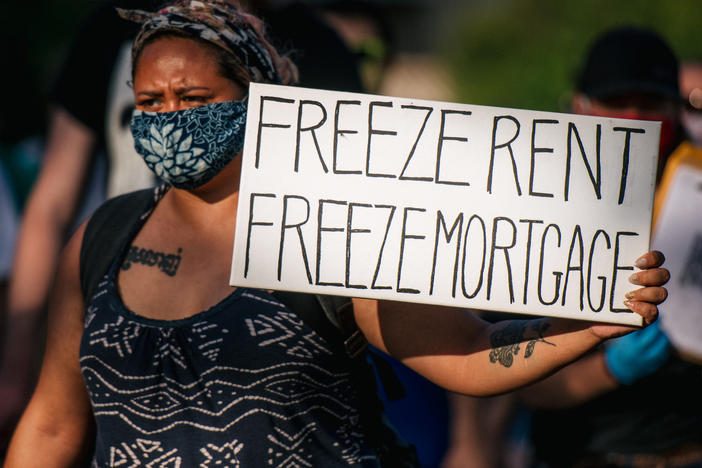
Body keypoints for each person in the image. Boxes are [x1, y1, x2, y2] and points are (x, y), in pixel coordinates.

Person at [3, 3, 669, 466]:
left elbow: (467, 351)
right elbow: (55, 422)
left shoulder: (325, 225)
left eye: (194, 100)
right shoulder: (104, 237)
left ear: (259, 97)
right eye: (150, 103)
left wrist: (586, 327)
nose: (169, 119)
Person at [517, 26, 702, 468]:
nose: (636, 118)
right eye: (617, 104)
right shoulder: (535, 198)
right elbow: (515, 372)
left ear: (678, 110)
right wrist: (610, 370)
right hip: (580, 452)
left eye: (651, 104)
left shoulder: (693, 184)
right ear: (579, 106)